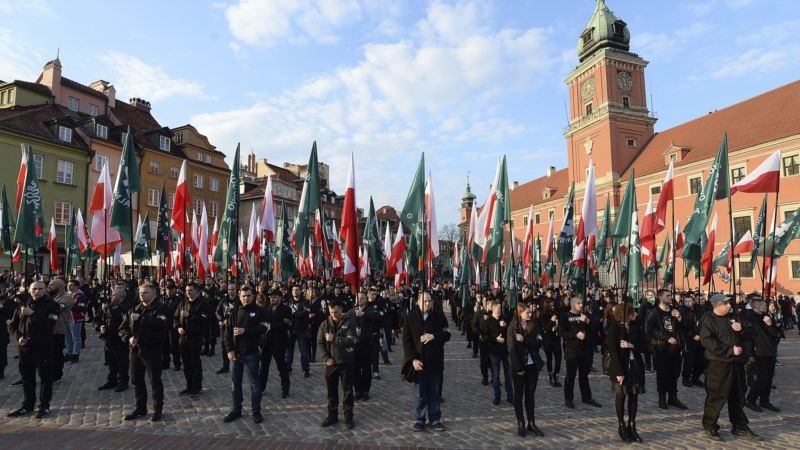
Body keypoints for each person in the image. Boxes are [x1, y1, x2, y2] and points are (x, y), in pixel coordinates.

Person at [699, 293, 760, 442]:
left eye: (729, 303)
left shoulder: (735, 317)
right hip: (719, 363)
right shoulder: (708, 320)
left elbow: (751, 333)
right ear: (717, 305)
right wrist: (729, 350)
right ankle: (710, 425)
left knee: (738, 395)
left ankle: (739, 425)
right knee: (717, 395)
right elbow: (707, 341)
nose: (729, 306)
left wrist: (741, 329)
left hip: (737, 363)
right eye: (726, 304)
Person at [7, 281, 60, 418]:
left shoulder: (53, 305)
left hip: (43, 347)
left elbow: (50, 323)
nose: (37, 291)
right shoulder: (22, 305)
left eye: (40, 289)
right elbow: (12, 326)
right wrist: (18, 337)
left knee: (45, 377)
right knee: (27, 377)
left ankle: (44, 405)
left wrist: (33, 314)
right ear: (29, 290)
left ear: (45, 290)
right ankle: (28, 404)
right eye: (34, 289)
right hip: (25, 348)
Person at [120, 282, 171, 422]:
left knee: (155, 380)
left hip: (153, 349)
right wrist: (128, 338)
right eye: (141, 293)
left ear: (154, 294)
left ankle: (157, 409)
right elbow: (123, 328)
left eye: (145, 293)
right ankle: (140, 407)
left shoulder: (161, 308)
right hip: (136, 350)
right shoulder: (135, 309)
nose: (142, 295)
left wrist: (142, 319)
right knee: (136, 379)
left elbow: (161, 323)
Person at [403, 291, 451, 432]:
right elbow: (407, 341)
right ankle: (419, 419)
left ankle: (435, 419)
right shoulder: (410, 318)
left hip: (435, 362)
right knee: (420, 394)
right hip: (419, 363)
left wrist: (433, 336)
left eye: (429, 301)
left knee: (435, 393)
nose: (427, 303)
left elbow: (447, 334)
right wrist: (413, 360)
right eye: (424, 301)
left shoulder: (439, 316)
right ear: (418, 301)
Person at [223, 285, 267, 424]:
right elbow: (227, 334)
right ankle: (236, 410)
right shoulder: (235, 312)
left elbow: (264, 328)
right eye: (243, 296)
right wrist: (229, 350)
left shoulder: (260, 311)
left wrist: (245, 331)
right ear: (239, 297)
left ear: (253, 296)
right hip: (235, 355)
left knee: (254, 384)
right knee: (235, 385)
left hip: (251, 354)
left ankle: (256, 411)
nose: (246, 298)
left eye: (248, 295)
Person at [607, 302, 645, 443]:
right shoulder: (615, 327)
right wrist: (618, 371)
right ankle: (621, 425)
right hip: (621, 367)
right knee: (621, 395)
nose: (635, 314)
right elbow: (612, 351)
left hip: (635, 365)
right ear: (626, 314)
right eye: (632, 312)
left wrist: (631, 345)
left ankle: (632, 425)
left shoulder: (636, 326)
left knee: (633, 396)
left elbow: (644, 345)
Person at [317, 301, 357, 429]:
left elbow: (353, 340)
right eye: (332, 312)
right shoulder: (325, 324)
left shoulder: (349, 322)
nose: (334, 314)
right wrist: (326, 358)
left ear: (341, 310)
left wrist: (335, 338)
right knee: (331, 391)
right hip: (331, 363)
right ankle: (332, 415)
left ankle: (348, 417)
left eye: (337, 312)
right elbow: (320, 343)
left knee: (348, 391)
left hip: (346, 361)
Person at [645, 289, 686, 410]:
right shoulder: (653, 312)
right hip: (661, 348)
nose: (670, 297)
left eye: (670, 295)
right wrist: (666, 337)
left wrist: (679, 318)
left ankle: (673, 397)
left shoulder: (675, 310)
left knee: (675, 373)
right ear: (660, 297)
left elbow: (686, 326)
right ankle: (662, 398)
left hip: (676, 348)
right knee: (663, 374)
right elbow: (649, 330)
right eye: (667, 296)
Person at [507, 302, 544, 437]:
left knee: (530, 395)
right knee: (518, 395)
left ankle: (532, 422)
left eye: (530, 312)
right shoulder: (512, 327)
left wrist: (525, 340)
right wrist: (518, 368)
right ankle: (520, 422)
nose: (530, 314)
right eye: (527, 312)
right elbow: (511, 350)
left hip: (532, 365)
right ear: (519, 313)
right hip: (519, 367)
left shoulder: (534, 325)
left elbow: (539, 342)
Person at [559, 297, 600, 409]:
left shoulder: (585, 315)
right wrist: (575, 335)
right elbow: (562, 332)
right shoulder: (565, 317)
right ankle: (568, 398)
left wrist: (587, 321)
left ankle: (586, 397)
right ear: (572, 304)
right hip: (572, 350)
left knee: (584, 375)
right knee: (570, 376)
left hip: (585, 350)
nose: (581, 305)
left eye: (582, 303)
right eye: (578, 303)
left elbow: (595, 328)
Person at [744, 298, 781, 413]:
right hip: (759, 351)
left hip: (770, 350)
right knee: (762, 377)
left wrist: (770, 324)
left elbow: (775, 333)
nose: (765, 307)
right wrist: (750, 353)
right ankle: (750, 400)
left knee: (769, 378)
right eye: (763, 305)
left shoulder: (766, 317)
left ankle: (765, 401)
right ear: (756, 306)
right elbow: (748, 337)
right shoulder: (749, 317)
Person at [175, 282, 211, 397]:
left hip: (196, 337)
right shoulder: (182, 303)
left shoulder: (202, 304)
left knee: (194, 361)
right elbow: (175, 318)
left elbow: (205, 318)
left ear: (196, 290)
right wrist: (178, 327)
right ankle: (189, 385)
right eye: (186, 290)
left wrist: (189, 315)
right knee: (186, 363)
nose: (188, 292)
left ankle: (197, 386)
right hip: (183, 337)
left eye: (190, 290)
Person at [97, 289, 132, 392]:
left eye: (113, 295)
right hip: (109, 337)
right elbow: (103, 318)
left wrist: (106, 310)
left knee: (122, 361)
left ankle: (123, 381)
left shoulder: (126, 307)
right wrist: (101, 326)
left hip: (120, 338)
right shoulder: (111, 306)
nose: (111, 297)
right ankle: (112, 380)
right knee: (111, 361)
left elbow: (119, 318)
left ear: (119, 297)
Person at [260, 288, 291, 398]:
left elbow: (287, 323)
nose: (272, 299)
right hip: (267, 342)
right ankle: (261, 387)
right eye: (271, 297)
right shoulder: (267, 308)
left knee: (281, 366)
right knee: (264, 366)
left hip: (279, 342)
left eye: (274, 297)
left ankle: (285, 388)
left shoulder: (286, 309)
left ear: (280, 298)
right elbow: (263, 322)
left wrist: (272, 326)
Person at [349, 291, 380, 401]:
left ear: (366, 300)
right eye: (358, 298)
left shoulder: (369, 310)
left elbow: (377, 315)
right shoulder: (351, 312)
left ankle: (366, 391)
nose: (360, 300)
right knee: (355, 369)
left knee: (366, 369)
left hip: (367, 343)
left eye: (362, 298)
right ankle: (357, 390)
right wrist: (353, 331)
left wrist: (363, 314)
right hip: (355, 344)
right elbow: (346, 324)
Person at [482, 298, 513, 405]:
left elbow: (510, 333)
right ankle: (497, 396)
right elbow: (485, 337)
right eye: (499, 308)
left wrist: (505, 327)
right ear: (494, 309)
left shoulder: (505, 319)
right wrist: (496, 339)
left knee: (508, 375)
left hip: (505, 351)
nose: (501, 310)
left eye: (501, 308)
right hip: (494, 352)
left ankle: (510, 396)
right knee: (495, 376)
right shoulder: (488, 321)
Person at [49, 278, 72, 381]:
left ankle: (57, 374)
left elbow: (57, 307)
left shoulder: (67, 297)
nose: (49, 288)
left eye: (52, 286)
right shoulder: (51, 296)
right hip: (47, 328)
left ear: (60, 287)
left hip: (58, 329)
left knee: (57, 352)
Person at [286, 285, 311, 378]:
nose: (295, 292)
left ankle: (306, 369)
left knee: (304, 351)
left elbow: (305, 312)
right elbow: (287, 314)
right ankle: (288, 368)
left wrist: (294, 313)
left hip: (302, 330)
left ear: (300, 291)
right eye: (293, 290)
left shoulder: (306, 302)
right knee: (289, 351)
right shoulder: (289, 302)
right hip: (291, 330)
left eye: (297, 290)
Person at [215, 283, 235, 374]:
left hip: (235, 327)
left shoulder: (239, 301)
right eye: (229, 289)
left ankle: (236, 364)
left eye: (233, 289)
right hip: (225, 328)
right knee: (224, 346)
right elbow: (217, 312)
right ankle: (225, 365)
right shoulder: (223, 301)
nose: (231, 291)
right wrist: (222, 320)